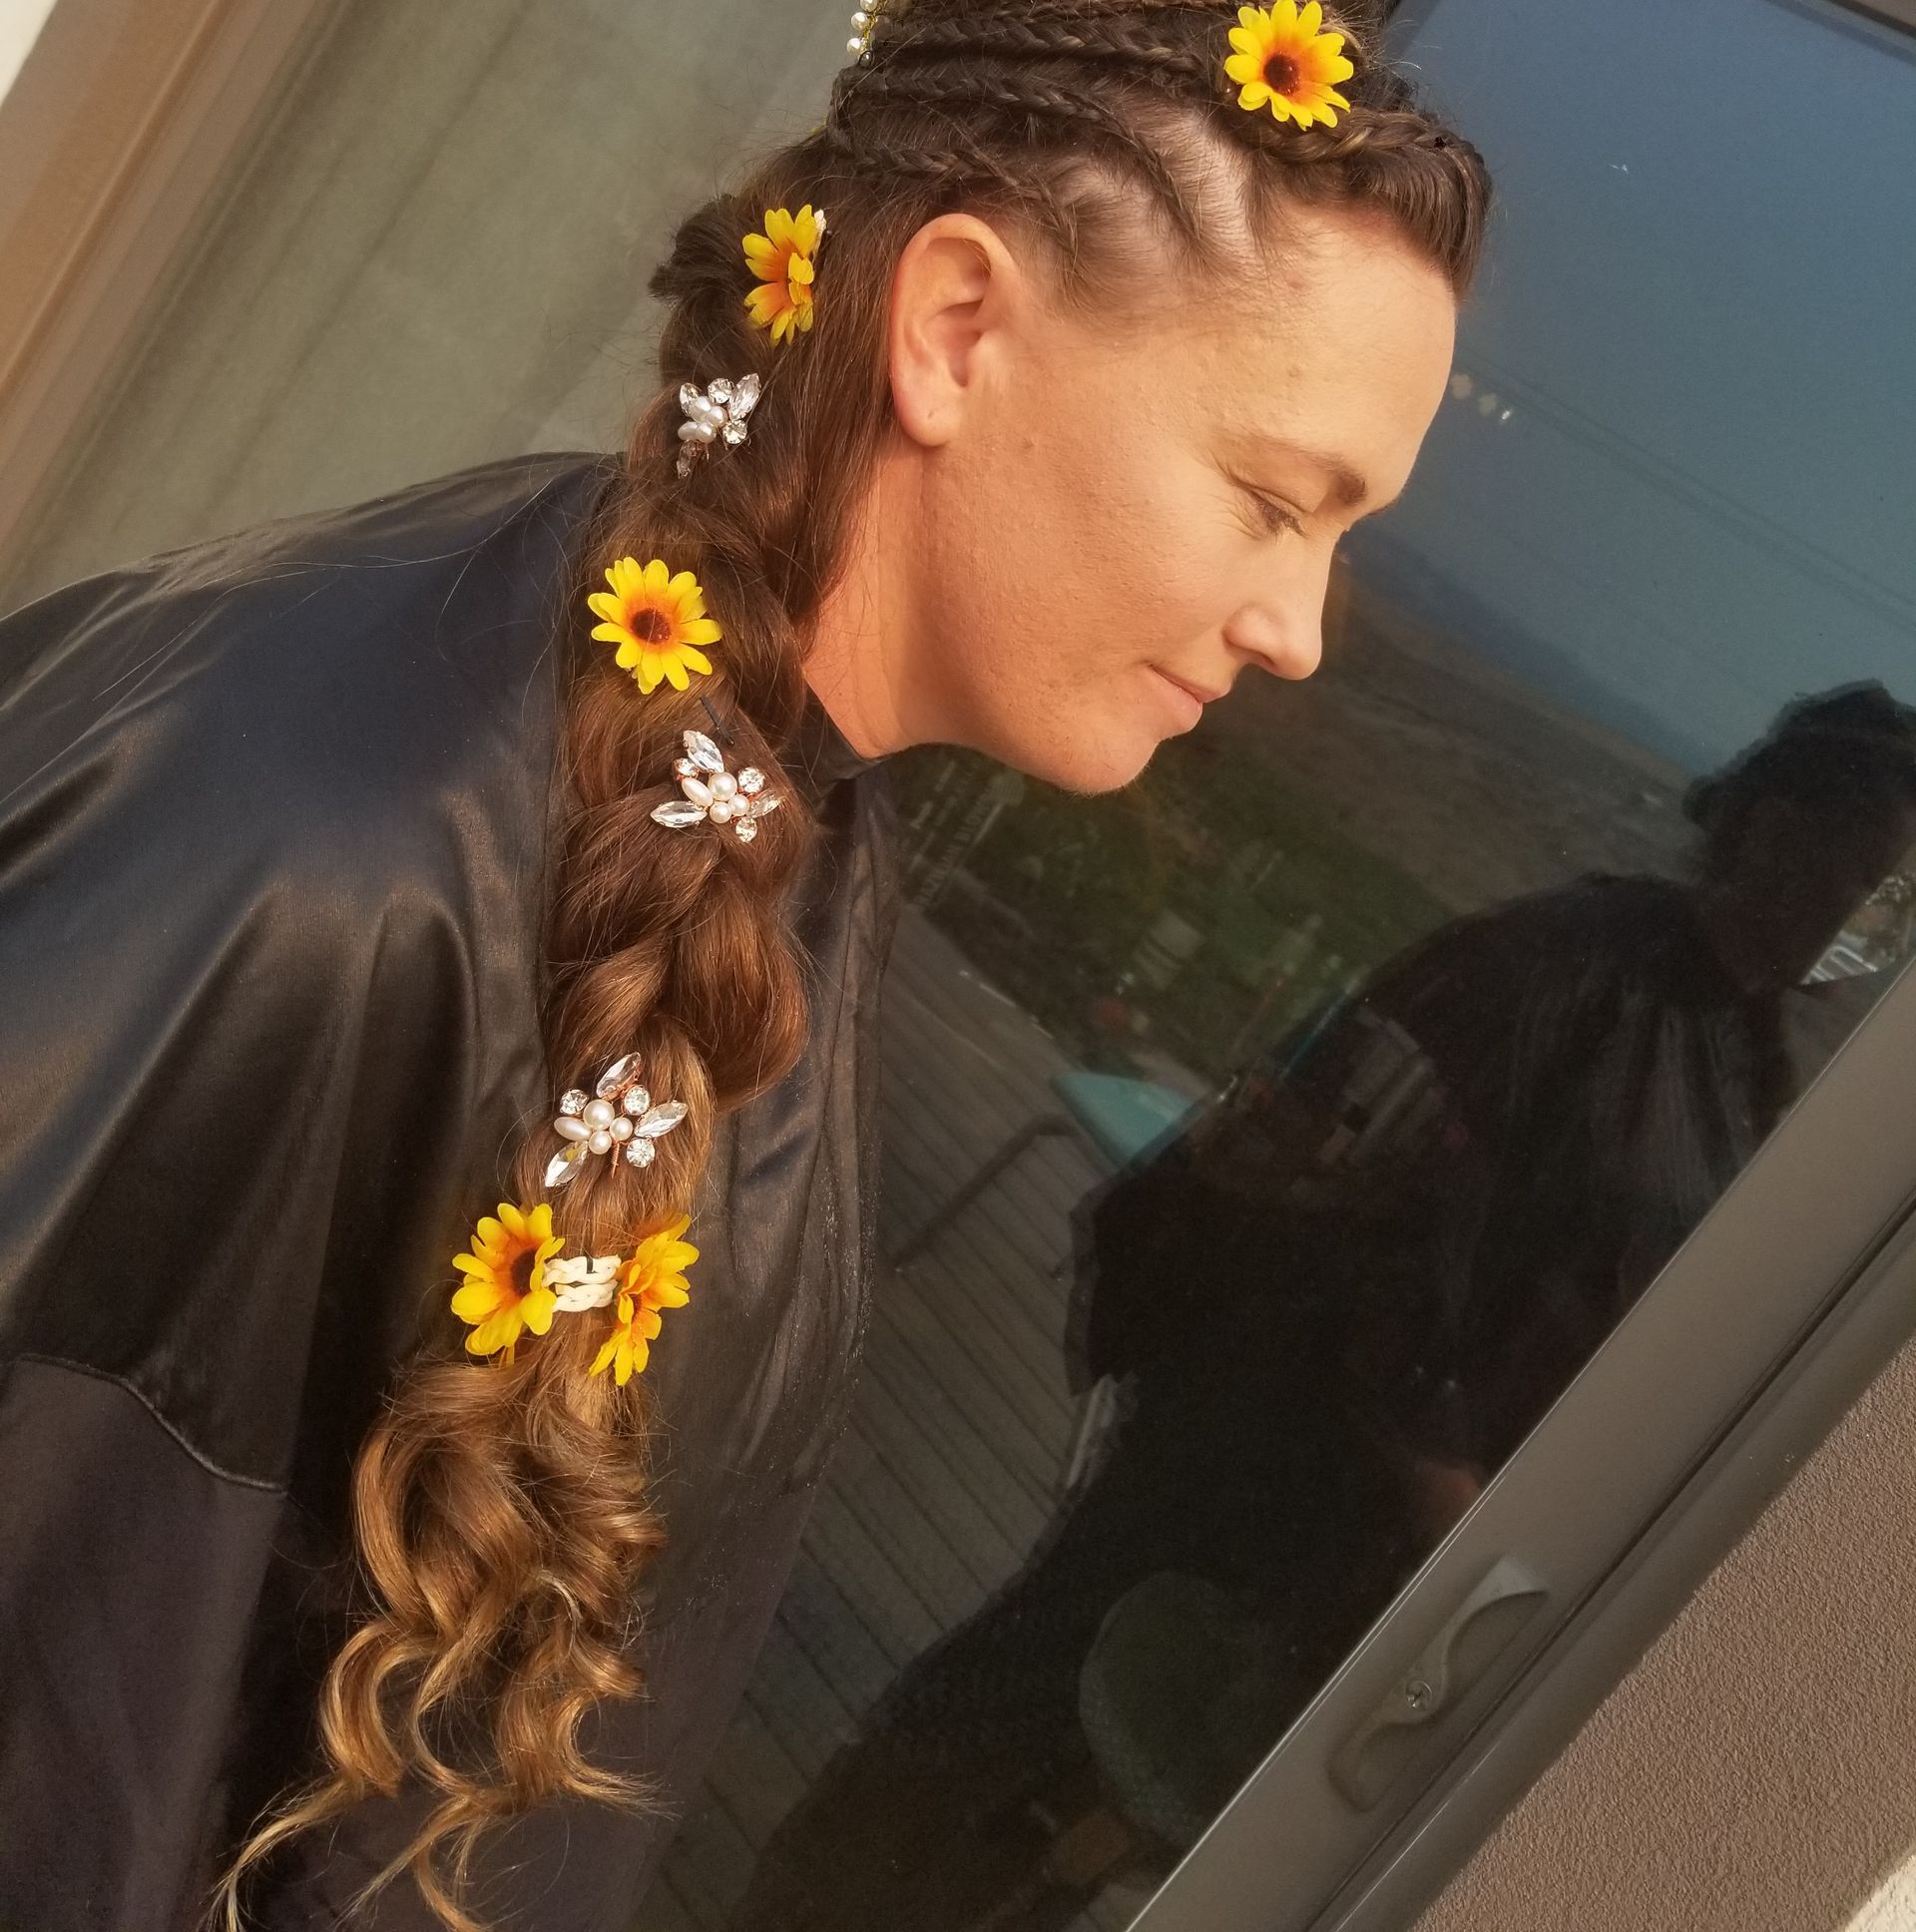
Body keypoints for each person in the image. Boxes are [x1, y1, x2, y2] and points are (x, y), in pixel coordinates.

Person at [0, 0, 1486, 1930]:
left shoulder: (758, 796)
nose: (1300, 625)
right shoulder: (318, 852)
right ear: (957, 325)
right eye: (1274, 495)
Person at [733, 683, 1916, 1931]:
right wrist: (1442, 1471)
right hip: (1259, 1469)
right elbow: (1326, 1192)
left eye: (1891, 897)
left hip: (1380, 1560)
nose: (1868, 916)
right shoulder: (1557, 970)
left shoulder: (1742, 1055)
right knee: (987, 1756)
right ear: (1775, 830)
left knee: (1085, 1835)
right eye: (1866, 870)